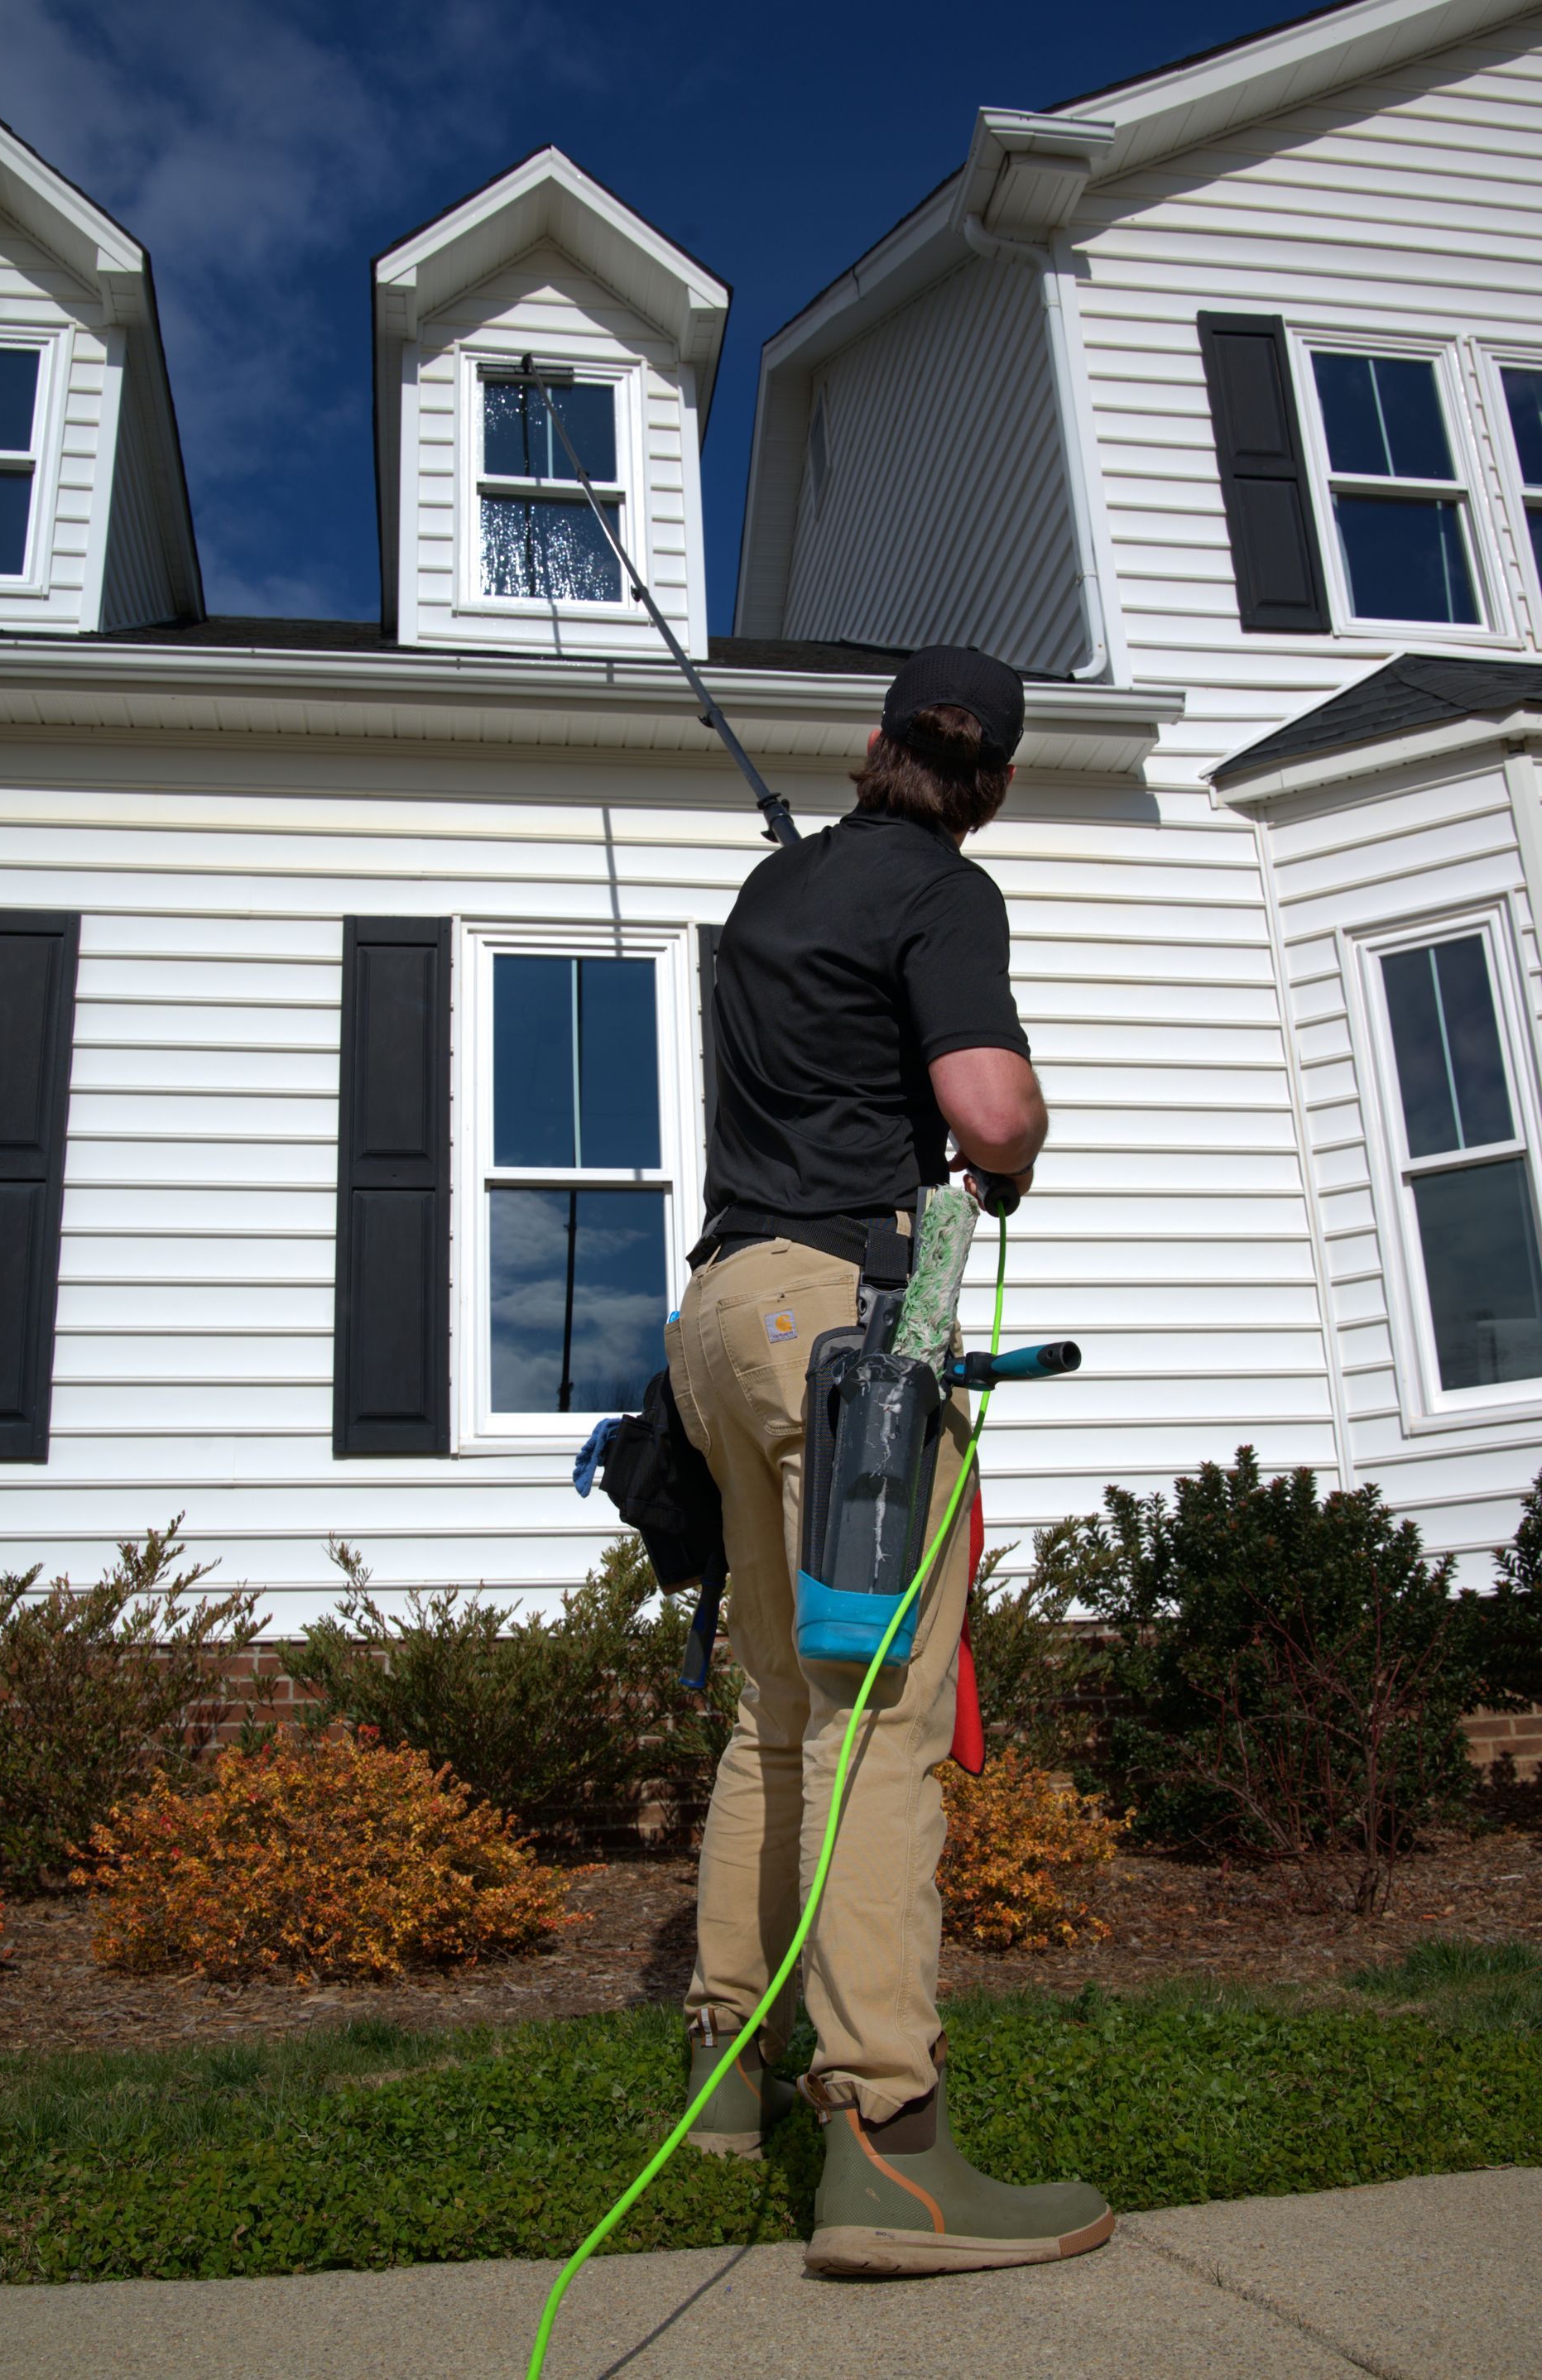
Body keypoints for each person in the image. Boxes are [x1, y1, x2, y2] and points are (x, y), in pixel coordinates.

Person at [665, 646, 1114, 2277]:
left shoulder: (774, 898)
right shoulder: (945, 889)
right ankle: (888, 2145)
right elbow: (985, 1112)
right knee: (878, 1720)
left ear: (869, 747)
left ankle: (728, 2071)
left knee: (778, 1709)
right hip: (844, 1332)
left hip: (720, 1316)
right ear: (986, 783)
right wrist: (1025, 1137)